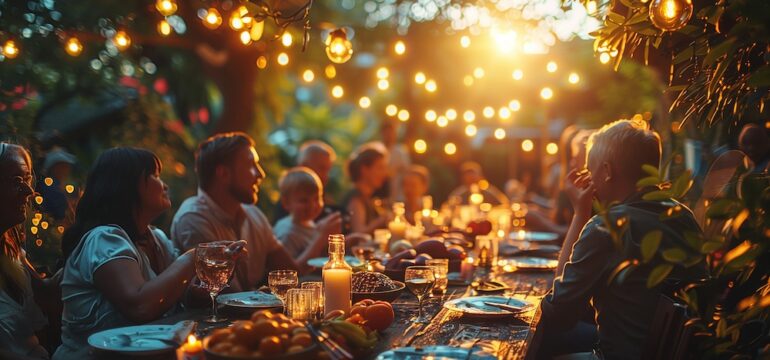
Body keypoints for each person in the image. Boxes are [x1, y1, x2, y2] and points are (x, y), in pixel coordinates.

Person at [537, 120, 706, 359]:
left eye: (590, 169)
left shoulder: (606, 227)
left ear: (607, 171)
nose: (589, 180)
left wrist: (580, 214)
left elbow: (559, 314)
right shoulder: (684, 217)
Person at [55, 148, 237, 360]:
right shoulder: (103, 239)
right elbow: (140, 306)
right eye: (156, 176)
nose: (165, 185)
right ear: (126, 184)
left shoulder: (156, 238)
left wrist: (196, 295)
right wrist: (193, 257)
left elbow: (166, 298)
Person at [171, 132, 308, 291]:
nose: (260, 174)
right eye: (251, 165)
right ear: (223, 174)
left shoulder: (254, 214)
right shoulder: (194, 219)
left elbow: (291, 273)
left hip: (253, 314)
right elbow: (225, 296)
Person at [0, 143, 49, 359]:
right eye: (16, 181)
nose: (29, 191)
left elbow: (47, 294)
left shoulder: (12, 250)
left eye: (27, 179)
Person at [273, 167, 342, 260]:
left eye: (316, 198)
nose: (312, 205)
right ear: (286, 203)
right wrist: (321, 237)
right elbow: (290, 269)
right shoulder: (287, 234)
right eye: (304, 201)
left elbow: (320, 253)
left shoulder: (308, 223)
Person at [273, 140, 342, 224]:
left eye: (328, 170)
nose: (326, 177)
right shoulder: (291, 205)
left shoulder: (325, 202)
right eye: (322, 168)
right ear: (304, 166)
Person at [343, 143, 390, 235]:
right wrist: (382, 220)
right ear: (364, 170)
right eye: (380, 168)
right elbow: (358, 233)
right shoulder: (355, 199)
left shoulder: (368, 197)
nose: (385, 173)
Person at [35, 148, 77, 222]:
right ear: (55, 168)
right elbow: (59, 210)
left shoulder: (60, 186)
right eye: (64, 166)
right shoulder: (50, 186)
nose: (67, 169)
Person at [380, 121, 411, 203]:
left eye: (391, 133)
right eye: (386, 133)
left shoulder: (401, 151)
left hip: (398, 193)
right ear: (382, 134)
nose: (389, 135)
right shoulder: (378, 150)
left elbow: (407, 170)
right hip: (381, 192)